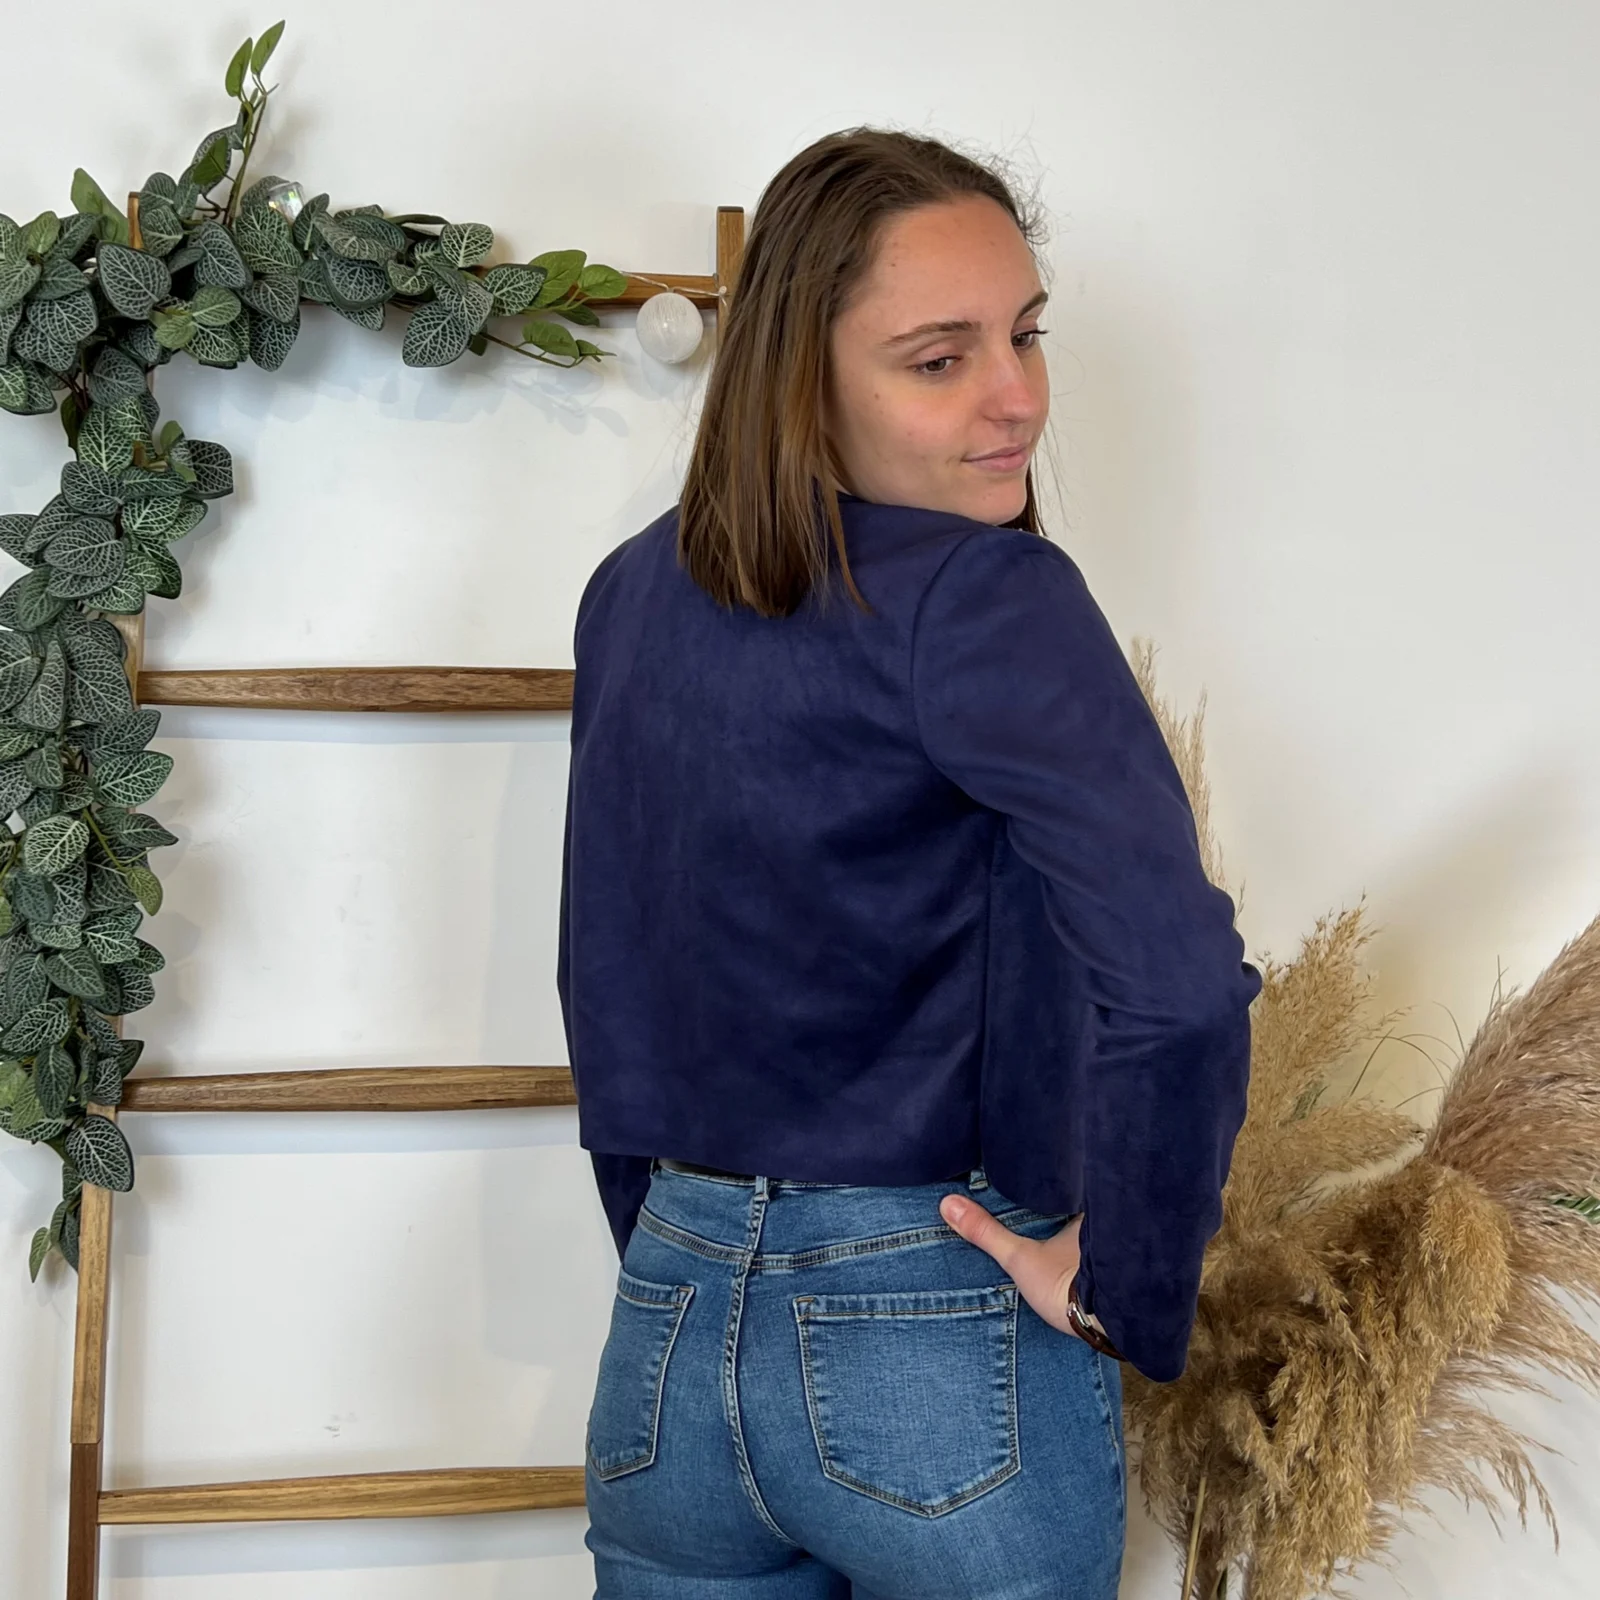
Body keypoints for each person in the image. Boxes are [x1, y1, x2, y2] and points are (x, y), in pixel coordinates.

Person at [557, 125, 1262, 1600]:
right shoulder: (989, 596)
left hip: (668, 1332)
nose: (1017, 396)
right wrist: (1125, 1284)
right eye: (940, 359)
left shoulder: (628, 593)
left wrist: (688, 1247)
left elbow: (606, 973)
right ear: (798, 379)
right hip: (935, 1328)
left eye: (1026, 334)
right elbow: (1182, 987)